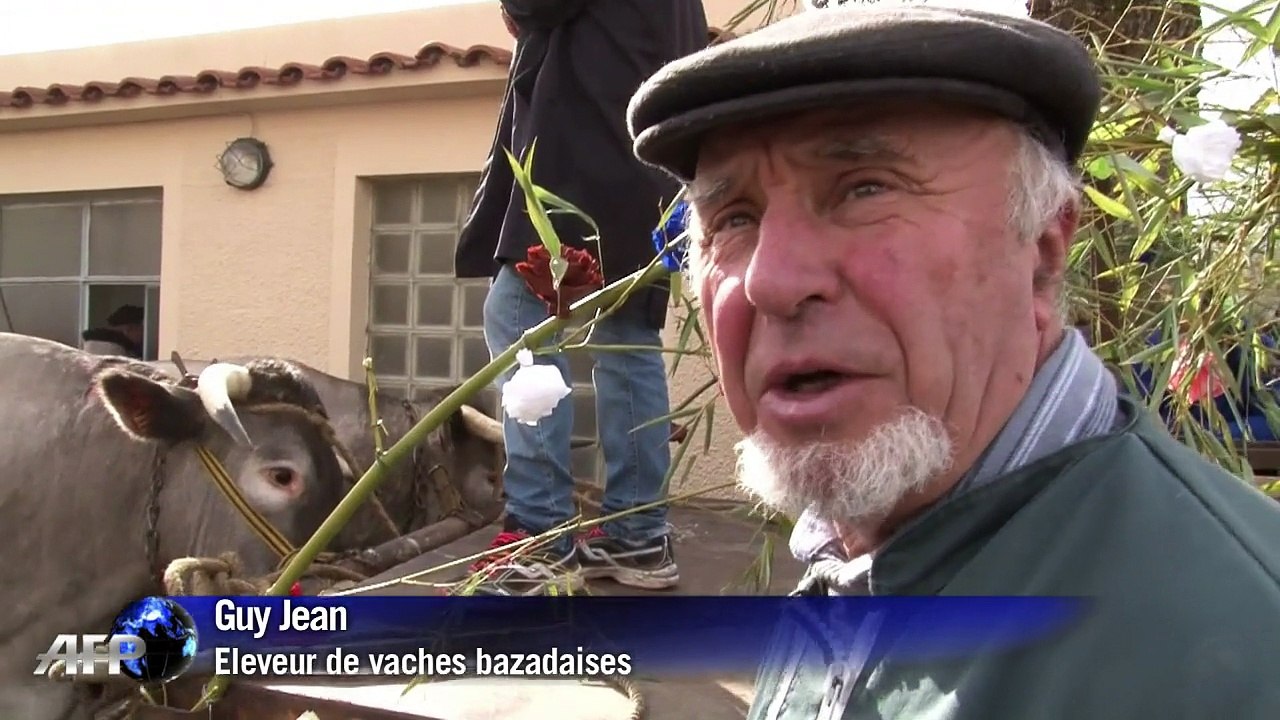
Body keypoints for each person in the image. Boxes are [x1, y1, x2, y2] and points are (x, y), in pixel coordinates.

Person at [626, 5, 1280, 719]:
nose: (772, 281)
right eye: (734, 220)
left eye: (864, 188)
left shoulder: (1240, 650)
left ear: (1042, 249)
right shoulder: (851, 560)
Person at [453, 0, 709, 595]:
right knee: (627, 340)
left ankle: (539, 533)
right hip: (645, 167)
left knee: (517, 314)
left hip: (581, 159)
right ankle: (638, 536)